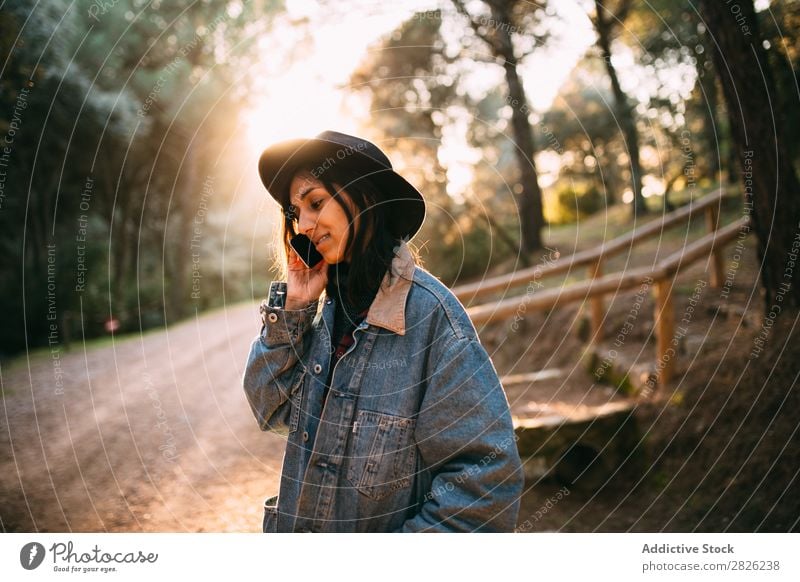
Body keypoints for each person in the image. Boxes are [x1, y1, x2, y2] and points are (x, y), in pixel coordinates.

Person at [243, 130, 524, 532]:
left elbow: (486, 482)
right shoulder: (324, 311)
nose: (302, 224)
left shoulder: (433, 320)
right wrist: (294, 309)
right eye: (294, 212)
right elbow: (269, 409)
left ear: (365, 197)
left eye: (316, 202)